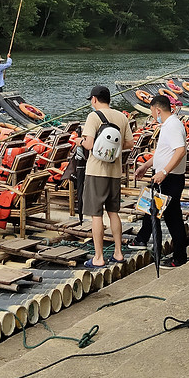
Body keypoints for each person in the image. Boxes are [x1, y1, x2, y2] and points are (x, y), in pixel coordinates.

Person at [80, 85, 135, 269]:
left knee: (96, 214)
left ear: (94, 99)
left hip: (96, 171)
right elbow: (129, 143)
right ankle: (118, 253)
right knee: (113, 212)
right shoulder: (121, 117)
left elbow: (88, 144)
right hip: (115, 172)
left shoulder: (93, 117)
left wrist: (80, 141)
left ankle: (98, 257)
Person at [133, 95, 189, 267]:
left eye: (151, 111)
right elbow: (162, 152)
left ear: (157, 110)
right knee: (152, 209)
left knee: (173, 218)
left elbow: (180, 151)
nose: (152, 115)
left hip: (170, 178)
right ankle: (142, 238)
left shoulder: (172, 125)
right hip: (164, 176)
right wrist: (146, 166)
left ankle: (179, 257)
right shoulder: (167, 125)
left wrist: (164, 171)